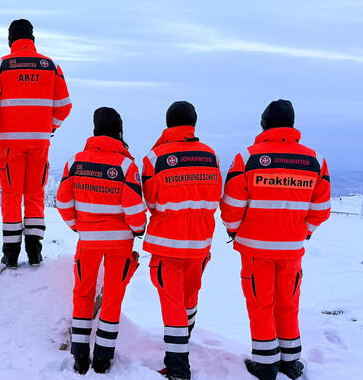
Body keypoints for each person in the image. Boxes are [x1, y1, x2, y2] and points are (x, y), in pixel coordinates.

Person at [219, 100, 331, 380]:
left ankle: (266, 364)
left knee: (260, 304)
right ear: (292, 125)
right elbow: (321, 208)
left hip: (255, 249)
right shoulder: (315, 160)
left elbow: (231, 204)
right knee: (288, 303)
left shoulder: (247, 158)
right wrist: (302, 232)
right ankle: (291, 363)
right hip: (293, 249)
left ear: (264, 124)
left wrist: (233, 231)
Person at [56, 107, 146, 375]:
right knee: (113, 298)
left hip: (88, 242)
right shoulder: (126, 165)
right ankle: (103, 358)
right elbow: (134, 209)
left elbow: (62, 202)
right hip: (120, 245)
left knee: (82, 294)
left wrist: (78, 226)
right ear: (119, 131)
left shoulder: (75, 162)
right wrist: (137, 230)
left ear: (94, 130)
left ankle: (80, 355)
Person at [0, 19, 72, 267]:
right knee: (35, 193)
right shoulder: (50, 66)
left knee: (12, 194)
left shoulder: (1, 65)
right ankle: (35, 252)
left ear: (11, 39)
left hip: (10, 142)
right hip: (40, 141)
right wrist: (48, 127)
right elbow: (64, 106)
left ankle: (10, 254)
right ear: (32, 38)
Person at [140, 102, 222, 380]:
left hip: (167, 244)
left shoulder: (155, 157)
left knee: (173, 304)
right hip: (200, 243)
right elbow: (215, 196)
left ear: (167, 124)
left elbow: (150, 201)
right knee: (189, 298)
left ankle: (177, 367)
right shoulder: (210, 156)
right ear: (193, 123)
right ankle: (183, 346)